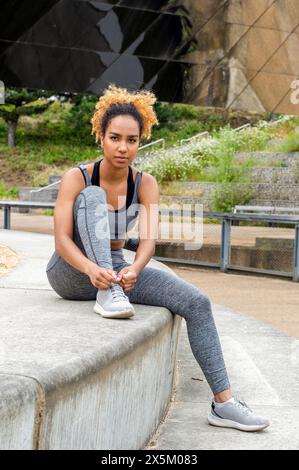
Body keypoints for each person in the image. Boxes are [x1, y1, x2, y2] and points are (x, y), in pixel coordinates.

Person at [46, 84, 270, 432]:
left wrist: (134, 268)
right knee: (92, 197)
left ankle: (224, 404)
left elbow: (148, 241)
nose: (123, 147)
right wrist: (92, 269)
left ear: (140, 140)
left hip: (118, 271)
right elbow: (61, 240)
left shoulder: (145, 183)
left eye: (132, 140)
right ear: (100, 137)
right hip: (72, 272)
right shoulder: (78, 178)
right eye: (115, 138)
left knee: (197, 302)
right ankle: (108, 292)